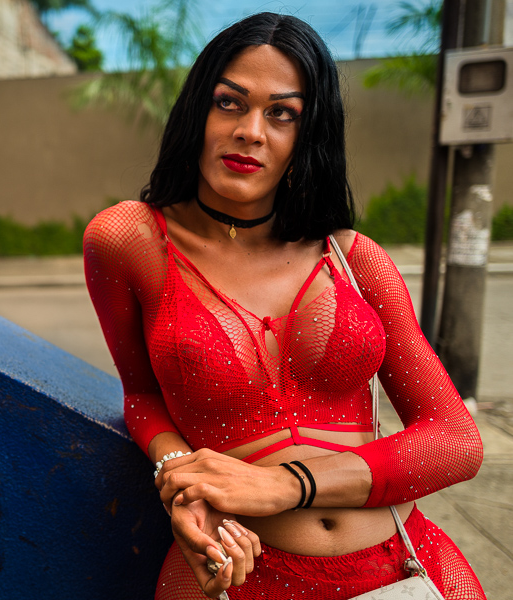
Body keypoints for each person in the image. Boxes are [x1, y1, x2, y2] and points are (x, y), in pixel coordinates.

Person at [83, 12, 485, 600]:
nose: (251, 130)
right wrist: (183, 481)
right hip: (234, 575)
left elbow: (454, 441)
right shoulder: (130, 241)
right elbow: (142, 395)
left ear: (308, 135)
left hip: (405, 567)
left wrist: (281, 486)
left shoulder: (352, 259)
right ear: (197, 110)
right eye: (230, 103)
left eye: (282, 113)